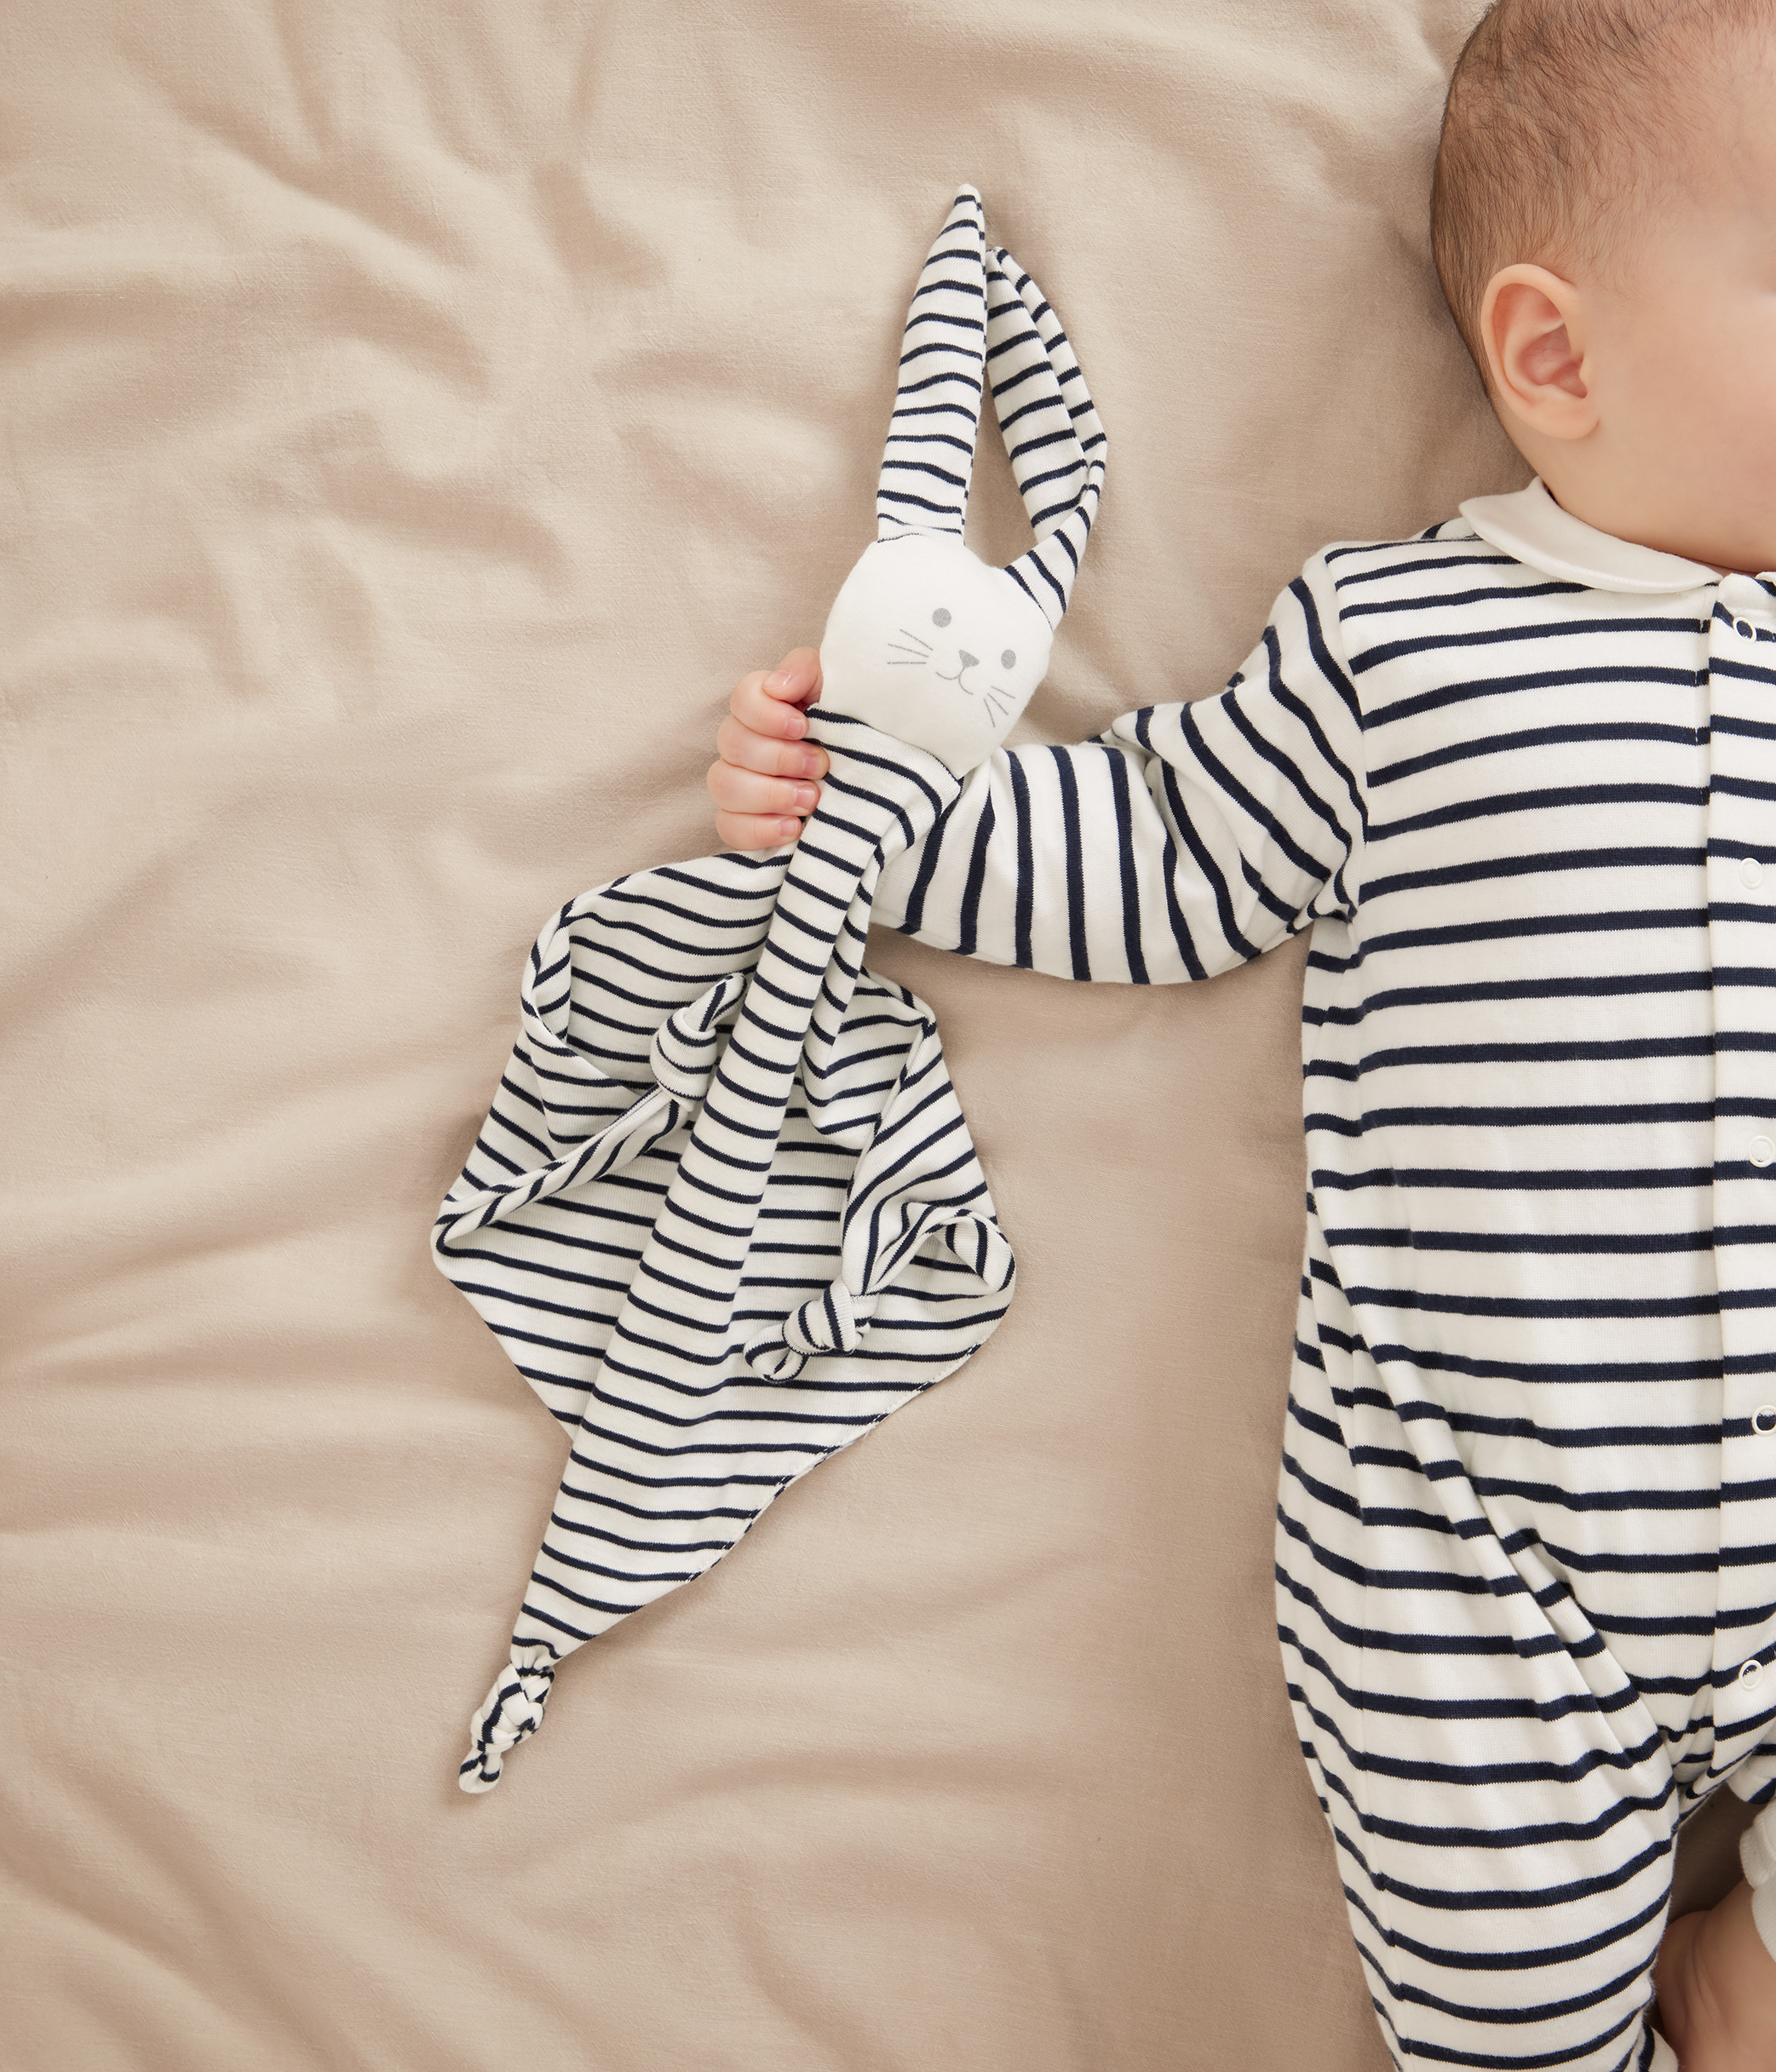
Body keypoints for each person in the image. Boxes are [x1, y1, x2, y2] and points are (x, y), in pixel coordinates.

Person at [705, 3, 1776, 2064]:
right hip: (1482, 1565)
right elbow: (1157, 853)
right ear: (1555, 357)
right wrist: (890, 810)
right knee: (1490, 2014)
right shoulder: (1399, 646)